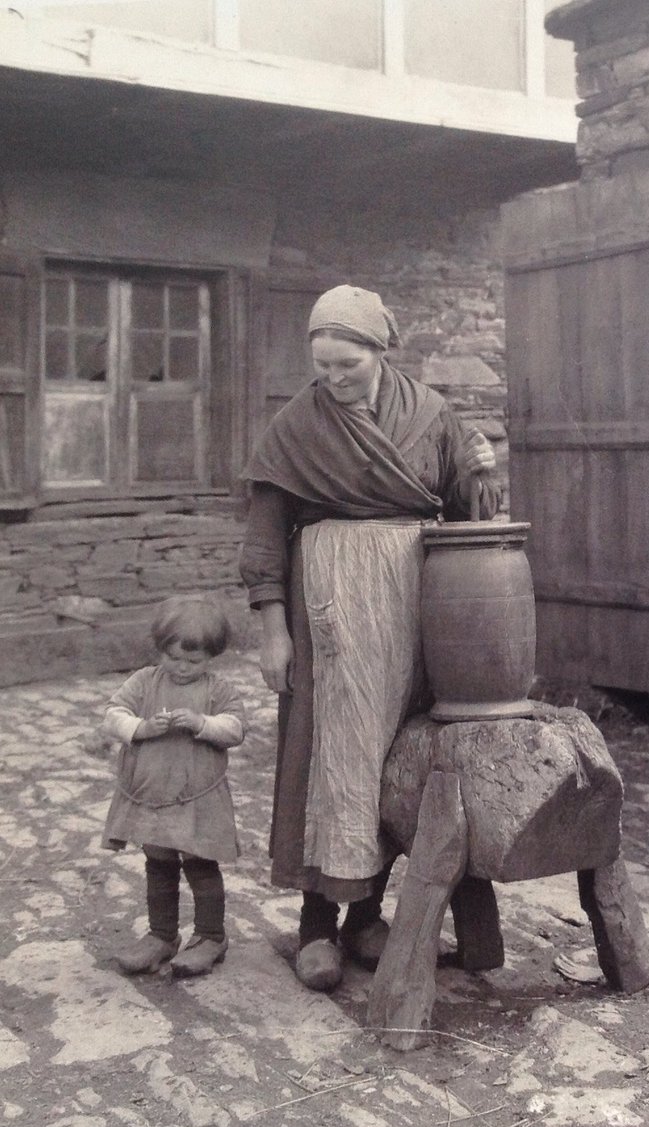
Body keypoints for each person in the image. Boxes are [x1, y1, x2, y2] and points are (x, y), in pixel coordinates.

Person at [240, 283, 501, 992]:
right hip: (330, 603)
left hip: (414, 598)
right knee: (334, 754)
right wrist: (274, 633)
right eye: (321, 366)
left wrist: (480, 471)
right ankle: (318, 924)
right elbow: (266, 537)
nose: (332, 379)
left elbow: (465, 512)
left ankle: (367, 917)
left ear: (379, 352)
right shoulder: (297, 427)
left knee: (398, 756)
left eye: (346, 366)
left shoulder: (429, 414)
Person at [101, 596, 246, 978]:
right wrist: (140, 728)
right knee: (159, 864)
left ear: (211, 657)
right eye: (173, 657)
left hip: (198, 798)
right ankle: (162, 936)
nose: (181, 668)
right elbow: (112, 716)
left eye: (192, 661)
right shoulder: (144, 682)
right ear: (161, 649)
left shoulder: (218, 689)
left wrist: (202, 723)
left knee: (200, 865)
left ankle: (211, 936)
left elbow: (235, 728)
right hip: (154, 796)